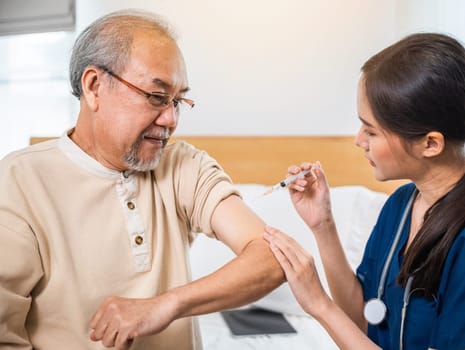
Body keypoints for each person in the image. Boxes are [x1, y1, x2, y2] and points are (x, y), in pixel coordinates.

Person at [0, 9, 284, 350]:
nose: (171, 119)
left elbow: (272, 257)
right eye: (156, 97)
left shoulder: (182, 166)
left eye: (178, 100)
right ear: (93, 87)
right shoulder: (19, 182)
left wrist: (165, 305)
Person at [263, 32, 465, 350]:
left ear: (430, 143)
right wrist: (323, 225)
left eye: (371, 130)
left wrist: (319, 305)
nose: (359, 140)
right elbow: (363, 319)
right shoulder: (401, 204)